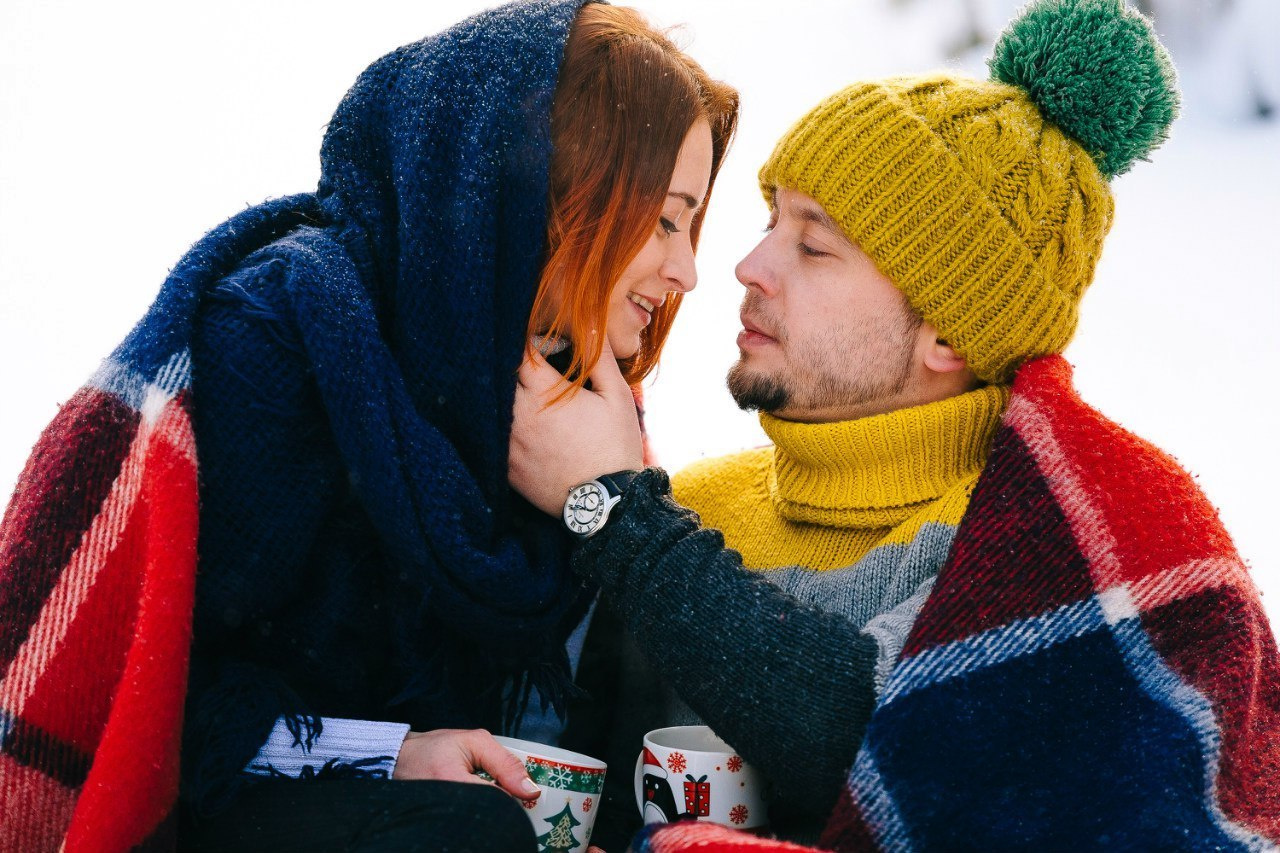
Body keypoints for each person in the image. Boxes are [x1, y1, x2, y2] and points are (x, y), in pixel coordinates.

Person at [508, 0, 1280, 849]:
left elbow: (885, 741)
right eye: (770, 222)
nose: (747, 266)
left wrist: (617, 511)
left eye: (814, 246)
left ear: (949, 331)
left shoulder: (1039, 546)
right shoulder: (691, 507)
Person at [0, 1, 737, 850]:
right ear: (550, 188)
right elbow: (160, 699)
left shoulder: (575, 397)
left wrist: (610, 499)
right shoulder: (284, 340)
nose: (687, 271)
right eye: (667, 218)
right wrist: (390, 754)